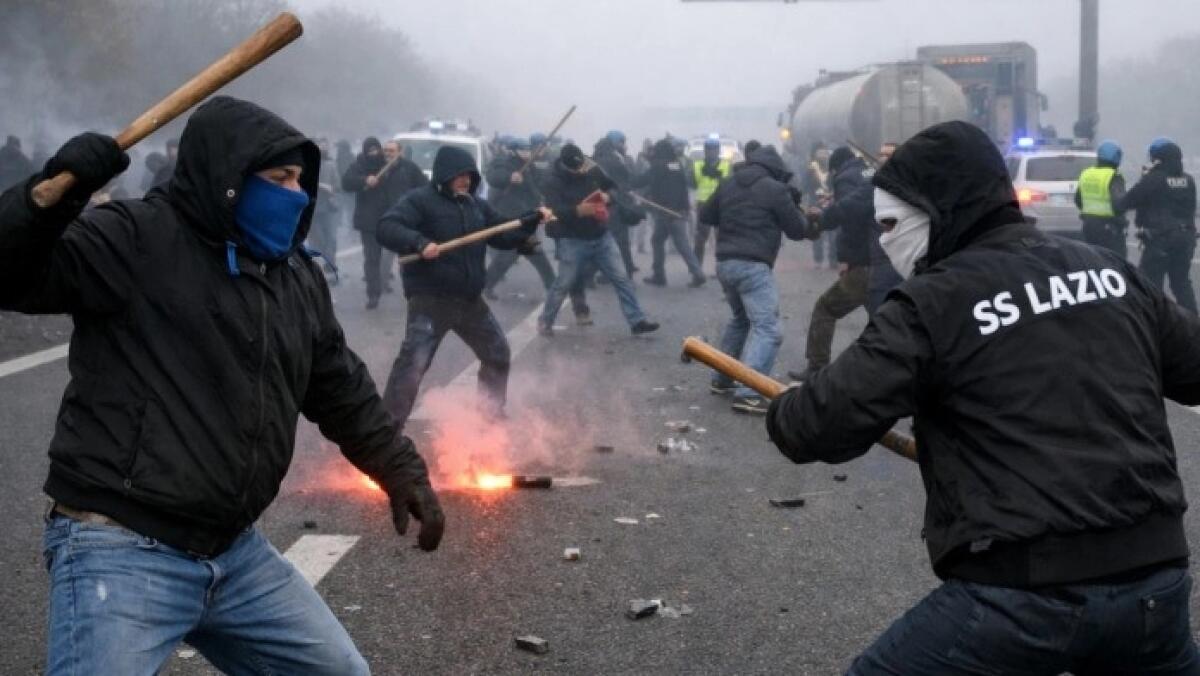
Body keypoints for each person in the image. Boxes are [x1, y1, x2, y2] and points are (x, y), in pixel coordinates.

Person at [0, 96, 444, 675]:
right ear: (229, 178)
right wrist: (45, 200)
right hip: (119, 547)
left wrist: (400, 467)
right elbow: (10, 275)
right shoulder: (134, 238)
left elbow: (337, 385)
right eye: (279, 177)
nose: (297, 193)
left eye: (300, 179)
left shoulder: (291, 272)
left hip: (234, 552)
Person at [767, 120, 1200, 674]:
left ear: (938, 210)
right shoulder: (1111, 271)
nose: (884, 239)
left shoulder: (931, 301)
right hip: (1154, 585)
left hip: (1020, 597)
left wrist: (785, 409)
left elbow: (819, 426)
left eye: (892, 223)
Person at [377, 146, 551, 428]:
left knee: (497, 354)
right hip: (431, 300)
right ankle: (386, 432)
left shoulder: (475, 206)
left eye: (470, 176)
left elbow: (503, 234)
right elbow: (387, 227)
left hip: (469, 300)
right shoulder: (419, 200)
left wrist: (530, 220)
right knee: (413, 365)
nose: (466, 180)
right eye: (459, 175)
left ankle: (489, 415)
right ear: (444, 174)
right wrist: (419, 243)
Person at [701, 145, 810, 414]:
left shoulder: (728, 183)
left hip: (725, 263)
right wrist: (794, 206)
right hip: (752, 266)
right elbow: (797, 230)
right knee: (769, 329)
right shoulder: (775, 189)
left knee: (740, 320)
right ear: (774, 170)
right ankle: (749, 393)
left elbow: (705, 215)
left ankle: (722, 379)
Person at [536, 143, 659, 337]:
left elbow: (612, 185)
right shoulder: (552, 180)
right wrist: (576, 211)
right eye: (576, 169)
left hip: (600, 234)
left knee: (621, 278)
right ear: (565, 165)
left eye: (582, 166)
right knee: (564, 283)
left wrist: (607, 196)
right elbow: (550, 212)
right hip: (572, 238)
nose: (581, 171)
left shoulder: (589, 166)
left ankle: (637, 321)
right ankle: (545, 320)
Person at [788, 146, 874, 381]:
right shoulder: (869, 173)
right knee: (883, 320)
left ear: (835, 168)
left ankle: (816, 368)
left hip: (865, 264)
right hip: (882, 260)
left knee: (825, 308)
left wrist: (847, 258)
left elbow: (849, 216)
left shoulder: (844, 178)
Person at [342, 137, 428, 309]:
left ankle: (414, 293)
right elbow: (346, 182)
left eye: (391, 151)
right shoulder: (368, 165)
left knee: (408, 259)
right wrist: (364, 180)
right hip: (371, 222)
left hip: (399, 221)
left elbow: (424, 187)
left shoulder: (409, 168)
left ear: (400, 152)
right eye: (385, 151)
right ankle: (373, 294)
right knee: (372, 259)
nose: (387, 154)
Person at [1117, 138, 1197, 312]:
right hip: (1186, 238)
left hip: (1160, 240)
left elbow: (1126, 202)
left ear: (1157, 159)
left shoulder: (1153, 179)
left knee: (1149, 285)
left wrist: (1144, 177)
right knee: (1181, 283)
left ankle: (1156, 324)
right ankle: (1193, 325)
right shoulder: (1189, 180)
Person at [483, 136, 557, 298]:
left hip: (523, 216)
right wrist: (509, 177)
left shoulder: (528, 166)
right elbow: (493, 177)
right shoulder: (503, 162)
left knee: (516, 255)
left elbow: (532, 188)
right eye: (523, 150)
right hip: (509, 216)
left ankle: (486, 285)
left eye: (528, 149)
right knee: (528, 253)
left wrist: (540, 201)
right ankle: (553, 286)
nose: (527, 152)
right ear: (513, 151)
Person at [632, 138, 705, 287]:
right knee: (663, 240)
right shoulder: (676, 165)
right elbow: (682, 188)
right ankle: (688, 273)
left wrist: (625, 182)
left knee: (676, 243)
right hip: (679, 210)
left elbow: (642, 180)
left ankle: (665, 275)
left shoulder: (658, 166)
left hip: (666, 212)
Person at [592, 130, 643, 278]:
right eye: (622, 142)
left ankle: (625, 268)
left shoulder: (604, 156)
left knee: (617, 239)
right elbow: (623, 178)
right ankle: (595, 273)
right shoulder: (611, 158)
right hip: (611, 204)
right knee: (611, 240)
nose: (624, 145)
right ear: (614, 142)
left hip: (612, 202)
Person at [1074, 140, 1129, 258]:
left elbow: (1078, 200)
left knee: (1092, 260)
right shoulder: (1114, 176)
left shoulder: (1086, 173)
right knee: (1117, 262)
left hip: (1088, 226)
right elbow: (1119, 204)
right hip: (1110, 228)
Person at [866, 142, 903, 314]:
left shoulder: (910, 184)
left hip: (903, 260)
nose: (883, 158)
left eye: (889, 155)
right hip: (880, 260)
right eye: (881, 154)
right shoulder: (869, 182)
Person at [692, 136, 733, 265]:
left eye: (714, 149)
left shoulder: (726, 165)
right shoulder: (697, 165)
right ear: (705, 151)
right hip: (703, 204)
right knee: (700, 239)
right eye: (708, 149)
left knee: (721, 238)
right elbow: (691, 183)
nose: (711, 152)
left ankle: (722, 266)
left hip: (721, 204)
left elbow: (731, 184)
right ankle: (697, 270)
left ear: (718, 150)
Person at [307, 137, 342, 280]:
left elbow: (338, 186)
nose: (322, 147)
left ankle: (331, 267)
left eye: (324, 145)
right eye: (320, 145)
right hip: (312, 207)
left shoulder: (331, 164)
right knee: (317, 240)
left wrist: (330, 188)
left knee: (331, 239)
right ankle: (316, 270)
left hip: (329, 207)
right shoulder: (307, 164)